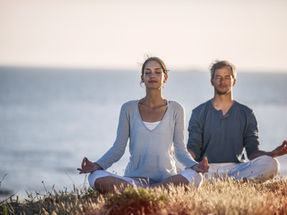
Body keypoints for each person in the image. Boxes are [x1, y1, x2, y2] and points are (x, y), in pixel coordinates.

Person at [78, 57, 209, 193]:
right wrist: (97, 165)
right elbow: (118, 149)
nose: (152, 75)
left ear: (165, 78)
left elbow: (180, 151)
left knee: (196, 176)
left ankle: (142, 192)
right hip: (133, 179)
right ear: (142, 78)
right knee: (95, 176)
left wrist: (195, 166)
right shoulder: (128, 108)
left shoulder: (176, 109)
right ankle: (153, 192)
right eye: (148, 72)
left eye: (158, 72)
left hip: (166, 179)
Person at [187, 60, 287, 182]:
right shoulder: (199, 112)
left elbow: (252, 153)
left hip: (237, 169)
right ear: (211, 81)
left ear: (234, 81)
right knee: (176, 163)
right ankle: (229, 182)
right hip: (206, 169)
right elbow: (193, 150)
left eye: (227, 77)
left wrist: (272, 153)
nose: (222, 81)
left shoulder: (246, 113)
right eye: (218, 77)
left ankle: (233, 182)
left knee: (271, 164)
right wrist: (176, 155)